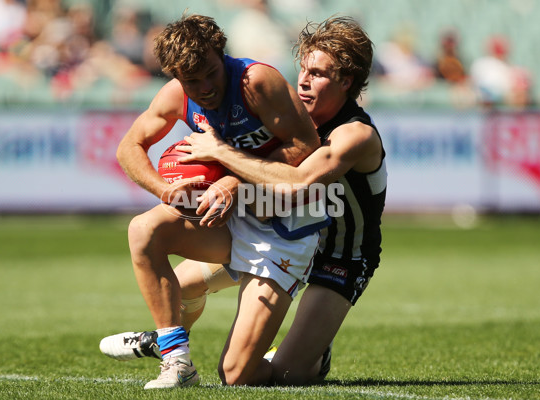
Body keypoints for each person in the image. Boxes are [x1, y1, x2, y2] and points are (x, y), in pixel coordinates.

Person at [101, 16, 386, 386]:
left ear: (346, 82)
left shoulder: (354, 135)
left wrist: (223, 159)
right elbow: (130, 147)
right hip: (262, 224)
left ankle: (312, 357)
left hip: (337, 254)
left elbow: (297, 181)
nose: (302, 80)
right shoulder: (281, 110)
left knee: (278, 374)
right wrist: (167, 189)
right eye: (303, 68)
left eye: (317, 74)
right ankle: (169, 348)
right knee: (173, 281)